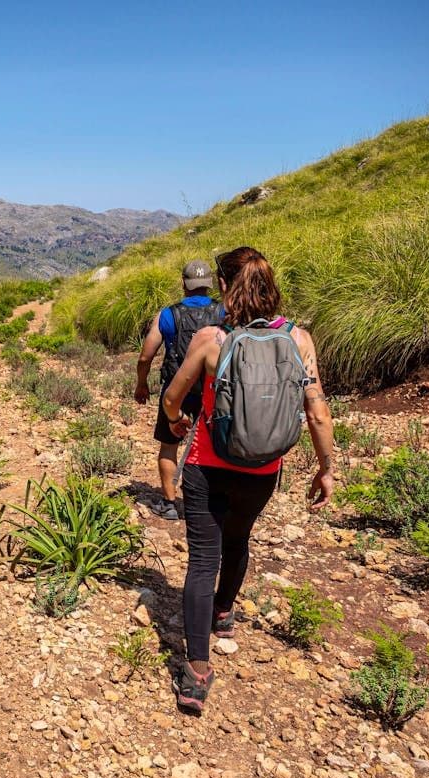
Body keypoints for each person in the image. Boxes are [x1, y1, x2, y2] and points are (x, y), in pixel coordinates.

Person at [162, 246, 334, 715]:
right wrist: (326, 469)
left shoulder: (211, 341)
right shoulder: (300, 341)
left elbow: (172, 400)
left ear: (224, 287)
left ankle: (197, 673)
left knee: (202, 561)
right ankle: (224, 613)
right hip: (262, 471)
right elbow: (316, 411)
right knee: (239, 540)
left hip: (206, 465)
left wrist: (178, 422)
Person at [134, 259, 223, 520]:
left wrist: (142, 384)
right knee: (214, 447)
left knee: (169, 445)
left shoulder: (167, 315)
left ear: (183, 283)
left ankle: (170, 503)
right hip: (212, 392)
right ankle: (209, 503)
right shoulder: (223, 312)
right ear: (209, 284)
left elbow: (145, 357)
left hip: (176, 392)